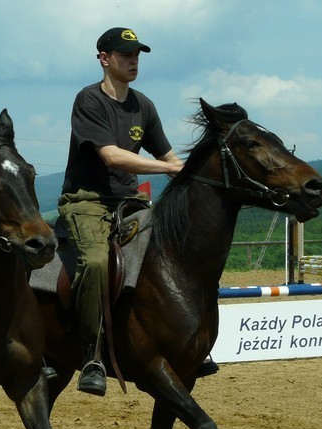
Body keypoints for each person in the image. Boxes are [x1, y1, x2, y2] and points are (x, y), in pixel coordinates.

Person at [58, 27, 184, 396]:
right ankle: (91, 353)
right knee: (96, 262)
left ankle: (182, 340)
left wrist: (188, 174)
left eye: (137, 55)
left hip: (130, 202)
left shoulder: (144, 105)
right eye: (126, 54)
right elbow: (111, 155)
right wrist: (169, 169)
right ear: (104, 58)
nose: (133, 61)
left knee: (176, 250)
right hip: (87, 200)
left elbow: (170, 157)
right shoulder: (89, 100)